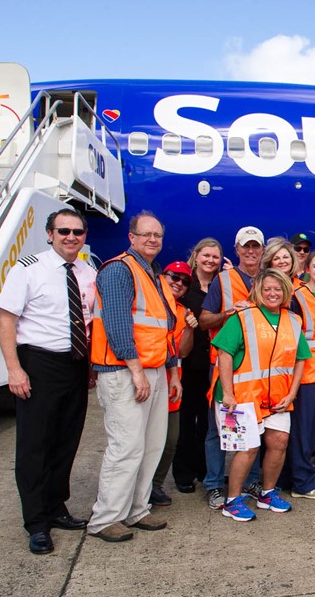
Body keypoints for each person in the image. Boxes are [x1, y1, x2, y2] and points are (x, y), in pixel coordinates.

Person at [0, 208, 97, 554]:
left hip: (75, 365)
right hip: (38, 363)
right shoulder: (28, 270)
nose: (71, 237)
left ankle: (57, 507)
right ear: (50, 234)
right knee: (34, 446)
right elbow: (7, 320)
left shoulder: (87, 271)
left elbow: (88, 321)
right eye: (64, 231)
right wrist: (14, 369)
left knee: (66, 441)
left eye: (78, 232)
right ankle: (36, 522)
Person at [87, 211, 179, 542]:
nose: (152, 240)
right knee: (125, 446)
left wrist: (171, 371)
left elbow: (163, 328)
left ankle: (137, 509)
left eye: (157, 235)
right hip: (125, 372)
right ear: (132, 237)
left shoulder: (151, 275)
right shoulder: (119, 271)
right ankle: (105, 517)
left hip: (153, 371)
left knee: (151, 446)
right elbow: (117, 324)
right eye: (146, 235)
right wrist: (136, 371)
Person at [212, 269, 309, 521]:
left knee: (278, 443)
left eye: (278, 289)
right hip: (243, 398)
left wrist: (292, 393)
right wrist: (229, 394)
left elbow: (300, 360)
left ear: (286, 291)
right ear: (258, 290)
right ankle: (231, 500)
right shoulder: (242, 317)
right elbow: (224, 354)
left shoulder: (294, 320)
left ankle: (267, 493)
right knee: (248, 448)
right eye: (267, 289)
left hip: (278, 397)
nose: (273, 293)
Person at [198, 225, 265, 511]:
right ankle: (214, 484)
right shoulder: (223, 280)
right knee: (217, 430)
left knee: (255, 428)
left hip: (259, 369)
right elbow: (204, 320)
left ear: (262, 250)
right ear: (236, 250)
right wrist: (228, 313)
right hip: (226, 367)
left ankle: (251, 479)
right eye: (245, 246)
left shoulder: (269, 280)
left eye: (255, 246)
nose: (250, 251)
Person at [173, 238, 222, 496]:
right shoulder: (184, 284)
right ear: (196, 255)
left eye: (215, 256)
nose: (210, 260)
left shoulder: (221, 285)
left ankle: (204, 470)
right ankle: (183, 472)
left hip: (212, 364)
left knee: (208, 421)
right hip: (188, 364)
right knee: (185, 421)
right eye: (206, 255)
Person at [285, 250, 315, 500]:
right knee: (302, 433)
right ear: (307, 268)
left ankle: (300, 477)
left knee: (312, 432)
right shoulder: (298, 297)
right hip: (304, 376)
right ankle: (302, 484)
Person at [150, 260, 197, 508]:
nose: (179, 283)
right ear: (162, 277)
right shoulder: (148, 304)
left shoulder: (182, 312)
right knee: (143, 440)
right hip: (147, 378)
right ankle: (138, 487)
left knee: (171, 439)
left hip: (172, 381)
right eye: (174, 277)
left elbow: (183, 351)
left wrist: (189, 328)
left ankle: (155, 485)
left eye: (184, 281)